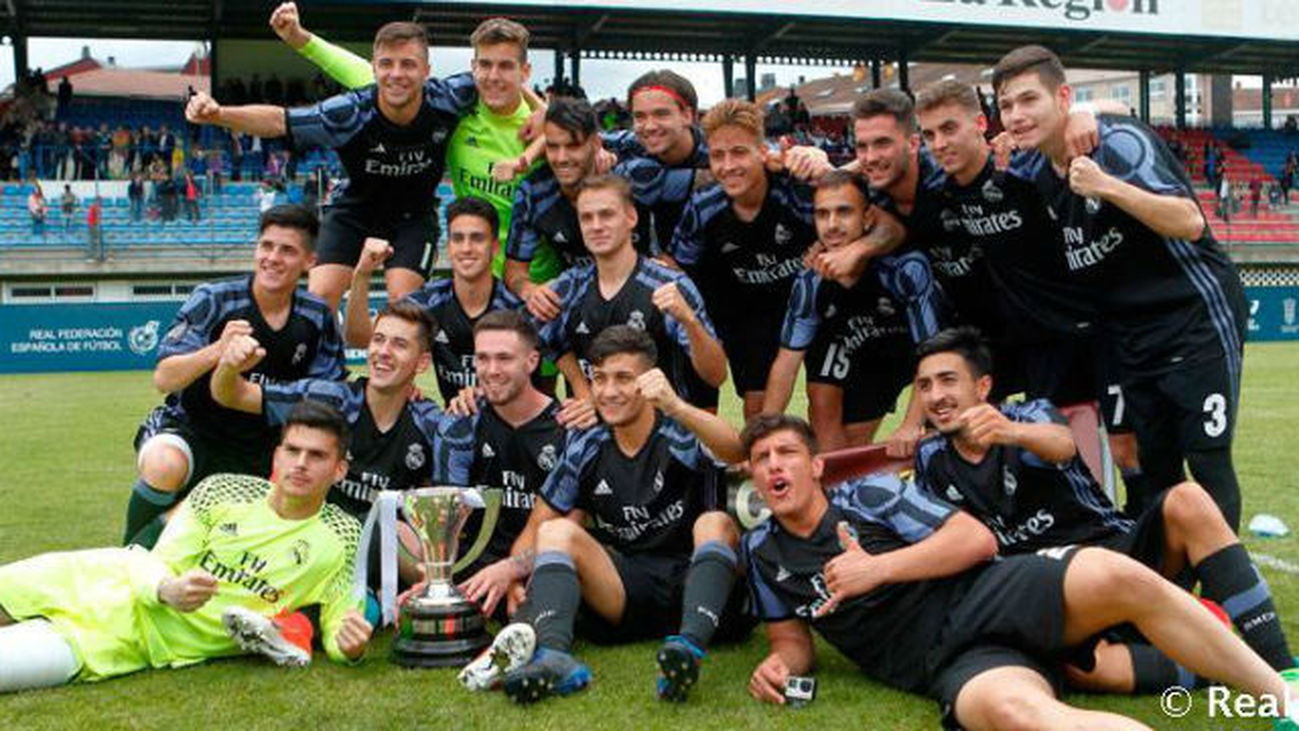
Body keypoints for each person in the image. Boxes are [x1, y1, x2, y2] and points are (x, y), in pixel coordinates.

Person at [738, 412, 1297, 730]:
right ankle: (1202, 654)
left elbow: (974, 540)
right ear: (754, 478)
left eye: (786, 453)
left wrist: (878, 569)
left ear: (816, 466)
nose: (774, 466)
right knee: (1020, 715)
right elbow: (793, 643)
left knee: (1114, 574)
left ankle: (1283, 694)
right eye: (762, 460)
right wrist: (779, 665)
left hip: (988, 594)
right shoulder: (761, 550)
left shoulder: (869, 495)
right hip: (943, 662)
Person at [911, 327, 1295, 692]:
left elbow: (1061, 444)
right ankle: (1222, 662)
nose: (935, 395)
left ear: (982, 387)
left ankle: (1280, 668)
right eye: (925, 385)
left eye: (948, 380)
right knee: (1083, 668)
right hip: (1052, 589)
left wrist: (1011, 433)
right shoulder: (930, 456)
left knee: (1187, 500)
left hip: (1116, 554)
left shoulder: (1028, 416)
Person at [997, 45, 1248, 529]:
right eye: (1007, 105)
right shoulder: (1032, 167)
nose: (1016, 115)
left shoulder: (1116, 144)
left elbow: (1190, 221)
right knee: (1155, 466)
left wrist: (1106, 185)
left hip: (1194, 316)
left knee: (1207, 460)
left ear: (1063, 97)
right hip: (1129, 333)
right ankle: (1167, 571)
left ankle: (1225, 578)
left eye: (1029, 100)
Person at [0, 401, 373, 693]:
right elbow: (157, 561)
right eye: (292, 450)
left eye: (317, 455)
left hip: (123, 639)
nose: (301, 464)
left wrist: (349, 648)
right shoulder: (222, 490)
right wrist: (169, 588)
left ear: (339, 470)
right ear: (277, 456)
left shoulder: (343, 536)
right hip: (95, 577)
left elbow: (340, 622)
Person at [912, 79, 1148, 503]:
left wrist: (1085, 112)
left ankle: (1153, 528)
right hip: (1041, 342)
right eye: (929, 135)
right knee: (1065, 452)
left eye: (949, 128)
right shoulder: (936, 190)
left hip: (1100, 327)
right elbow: (882, 162)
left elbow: (1120, 113)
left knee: (1129, 449)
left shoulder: (1021, 163)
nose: (940, 143)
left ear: (980, 124)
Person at [487, 326, 753, 703]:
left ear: (648, 381)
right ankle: (555, 657)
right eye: (600, 378)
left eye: (623, 378)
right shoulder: (586, 444)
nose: (609, 391)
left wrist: (676, 406)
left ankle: (688, 649)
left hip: (702, 588)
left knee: (715, 522)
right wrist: (516, 576)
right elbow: (538, 525)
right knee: (556, 532)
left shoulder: (679, 432)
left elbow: (737, 451)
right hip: (629, 589)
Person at [186, 19, 479, 311]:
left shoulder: (450, 98)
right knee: (320, 300)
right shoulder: (350, 113)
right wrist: (218, 114)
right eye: (386, 64)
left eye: (408, 64)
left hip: (413, 217)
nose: (396, 74)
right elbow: (279, 121)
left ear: (426, 70)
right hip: (354, 211)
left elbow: (496, 76)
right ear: (373, 68)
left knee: (406, 305)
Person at [269, 5, 560, 286]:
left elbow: (580, 147)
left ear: (525, 72)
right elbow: (357, 70)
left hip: (541, 280)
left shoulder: (543, 129)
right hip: (481, 280)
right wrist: (300, 38)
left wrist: (551, 118)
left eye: (506, 66)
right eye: (485, 65)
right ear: (474, 68)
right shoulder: (458, 111)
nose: (494, 76)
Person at [125, 205, 346, 549]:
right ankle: (129, 556)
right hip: (192, 429)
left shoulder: (317, 316)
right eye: (266, 246)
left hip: (264, 446)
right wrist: (218, 350)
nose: (273, 258)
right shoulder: (214, 298)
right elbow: (164, 378)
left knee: (228, 527)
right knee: (163, 464)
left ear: (309, 261)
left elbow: (326, 397)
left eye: (287, 250)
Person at [763, 170, 941, 451]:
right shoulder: (810, 282)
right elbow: (786, 363)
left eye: (844, 212)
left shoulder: (905, 268)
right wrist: (763, 436)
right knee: (829, 423)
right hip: (857, 347)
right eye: (823, 214)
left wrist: (911, 424)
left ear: (867, 217)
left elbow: (933, 352)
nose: (832, 224)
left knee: (937, 432)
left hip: (911, 347)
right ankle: (843, 477)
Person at [669, 99, 822, 423]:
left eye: (739, 152)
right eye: (718, 155)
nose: (728, 166)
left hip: (810, 302)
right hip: (746, 311)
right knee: (758, 408)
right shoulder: (703, 207)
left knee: (824, 400)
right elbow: (678, 266)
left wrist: (823, 247)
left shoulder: (794, 192)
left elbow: (845, 222)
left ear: (762, 151)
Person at [532, 174, 727, 408]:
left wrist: (690, 322)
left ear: (631, 217)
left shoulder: (669, 285)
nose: (596, 226)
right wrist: (580, 386)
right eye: (586, 218)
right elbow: (533, 335)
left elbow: (716, 376)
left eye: (607, 215)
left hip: (660, 425)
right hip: (596, 426)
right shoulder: (569, 287)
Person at [344, 197, 524, 405]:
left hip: (512, 417)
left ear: (494, 247)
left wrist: (483, 395)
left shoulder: (517, 309)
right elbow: (359, 339)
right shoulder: (429, 302)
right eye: (458, 239)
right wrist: (362, 274)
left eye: (477, 239)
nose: (466, 248)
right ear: (449, 247)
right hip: (454, 418)